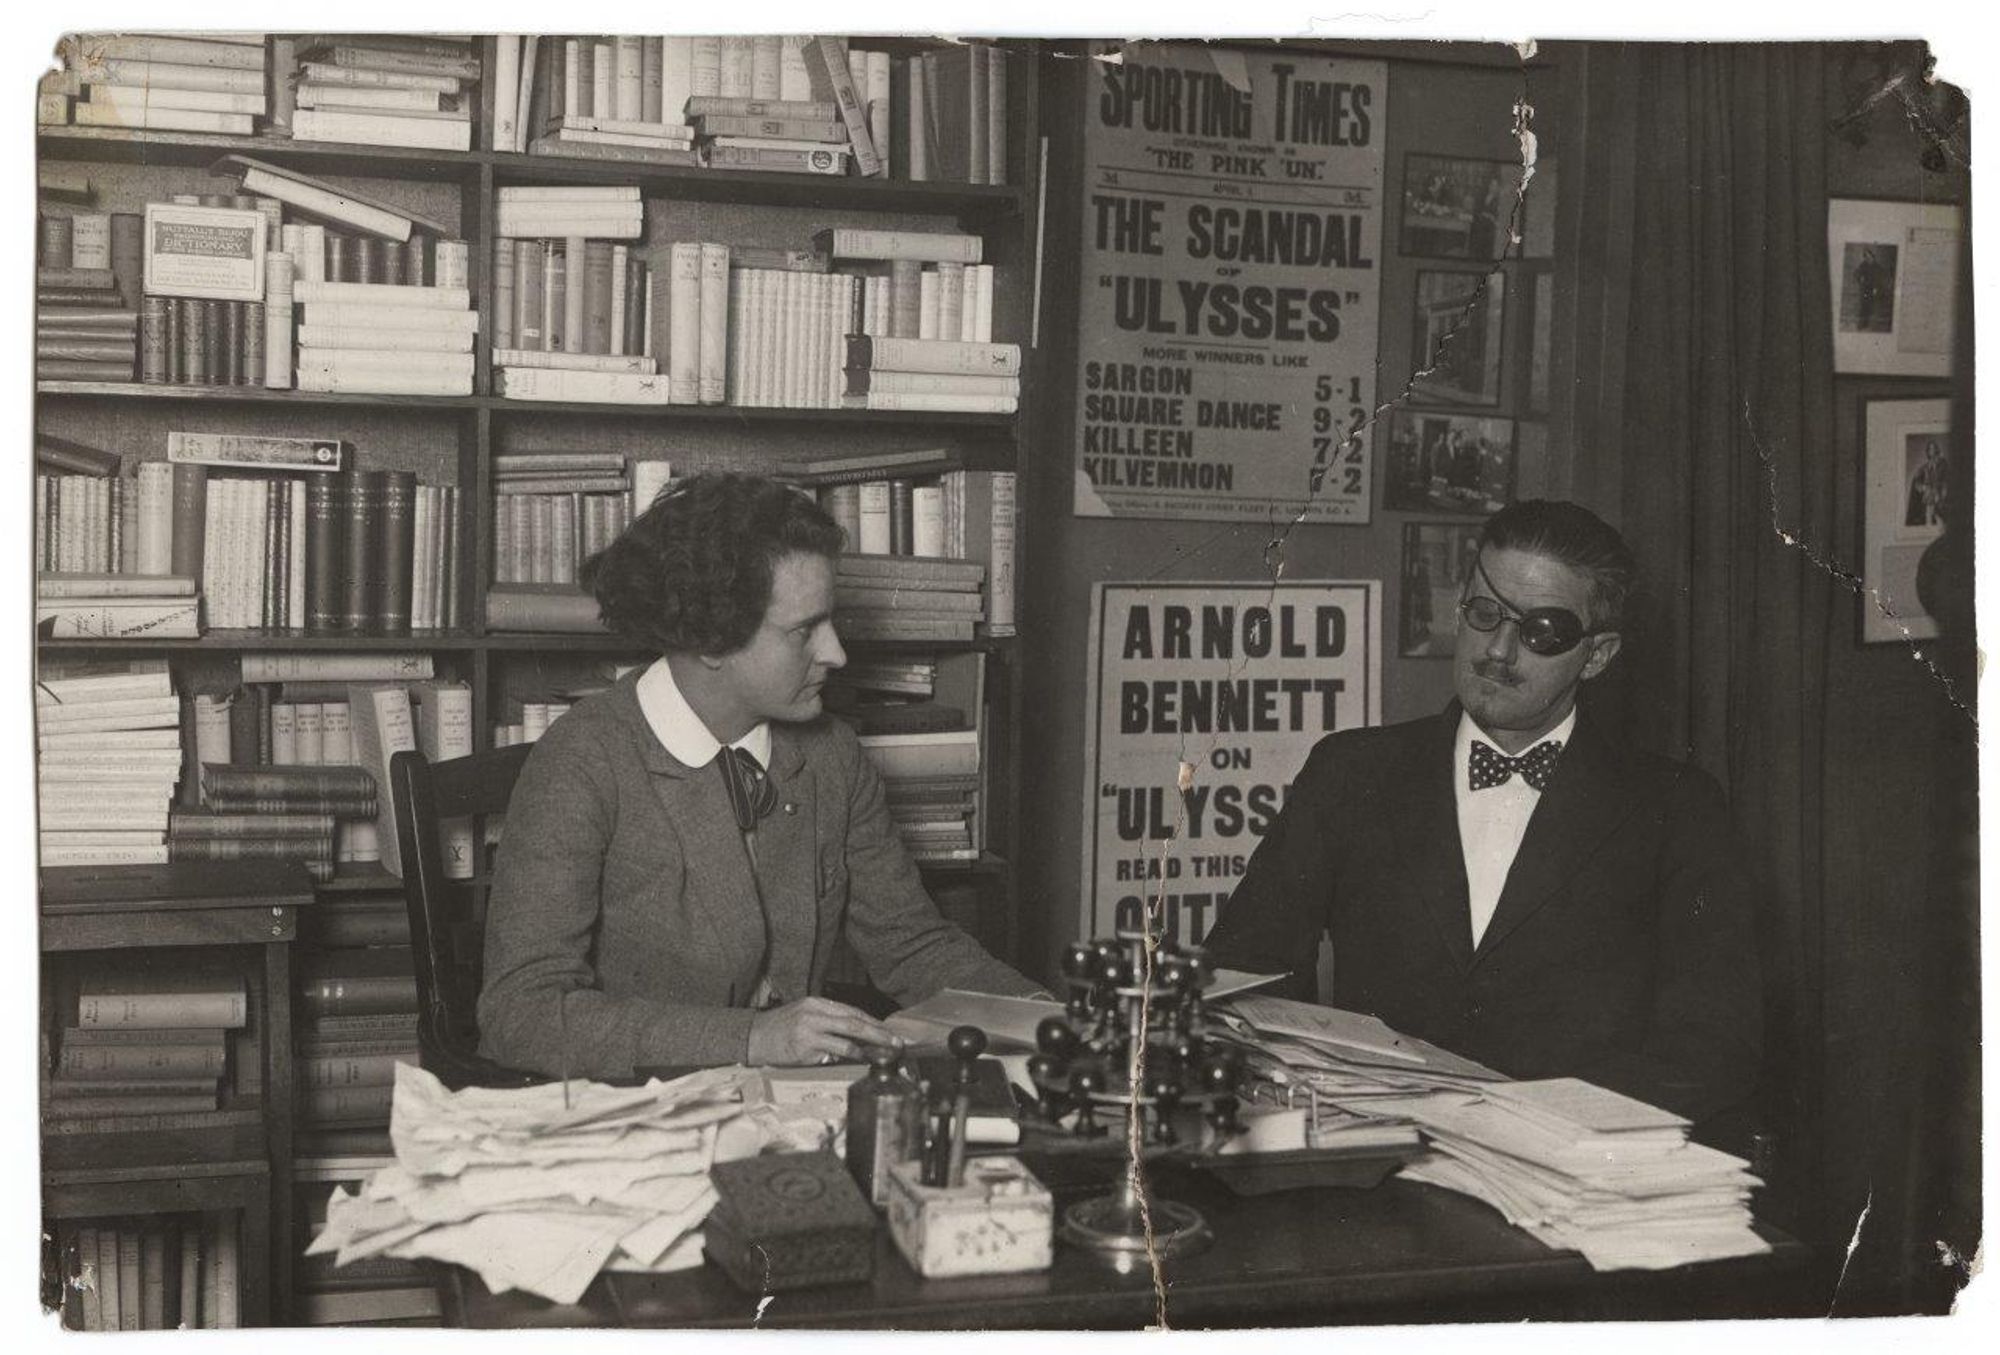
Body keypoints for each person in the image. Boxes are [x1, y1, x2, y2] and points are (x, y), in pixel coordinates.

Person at [1204, 500, 1762, 1132]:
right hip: (1375, 1156)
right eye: (1484, 613)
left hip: (1569, 1166)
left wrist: (1530, 1124)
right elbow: (1245, 972)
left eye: (1541, 631)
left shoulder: (1678, 808)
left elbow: (1715, 1044)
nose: (1497, 650)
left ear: (1598, 655)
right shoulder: (1350, 773)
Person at [477, 472, 1039, 1078]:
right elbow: (522, 1014)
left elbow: (912, 945)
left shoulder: (831, 755)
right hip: (630, 1105)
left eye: (830, 622)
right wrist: (752, 1038)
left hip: (788, 1100)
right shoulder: (581, 761)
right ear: (711, 641)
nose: (836, 653)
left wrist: (1044, 1018)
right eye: (804, 630)